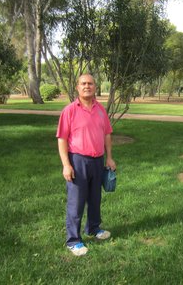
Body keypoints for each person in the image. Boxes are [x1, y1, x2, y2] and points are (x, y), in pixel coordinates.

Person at [56, 74, 116, 256]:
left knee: (95, 198)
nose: (87, 86)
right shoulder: (70, 110)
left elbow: (106, 134)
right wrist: (66, 164)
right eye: (83, 83)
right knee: (77, 201)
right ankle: (73, 240)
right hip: (78, 160)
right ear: (77, 87)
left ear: (95, 87)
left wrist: (109, 158)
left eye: (90, 83)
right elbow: (62, 139)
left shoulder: (100, 110)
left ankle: (93, 228)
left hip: (98, 161)